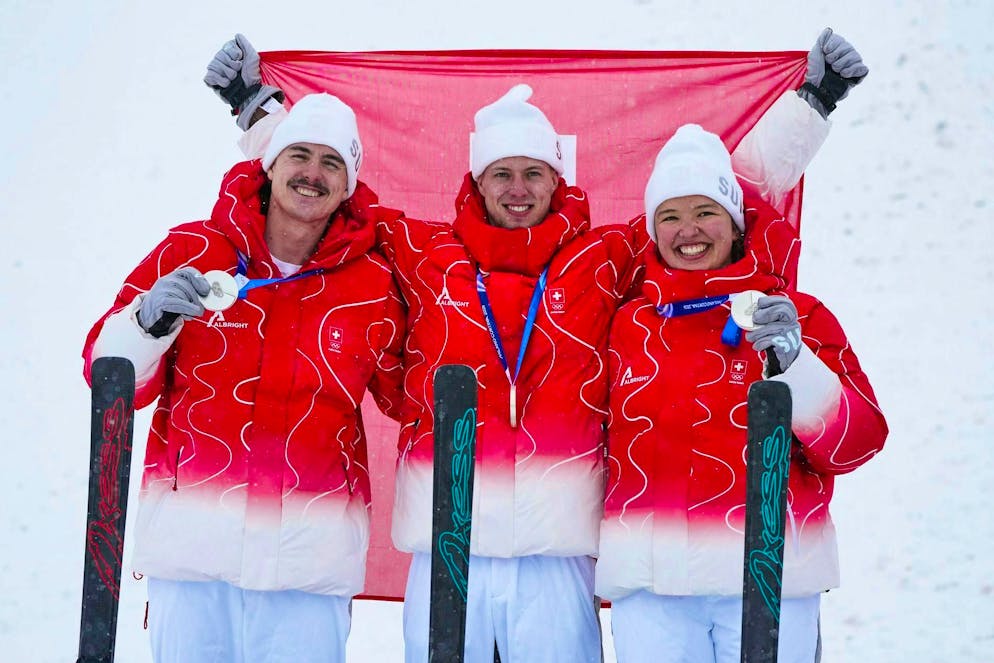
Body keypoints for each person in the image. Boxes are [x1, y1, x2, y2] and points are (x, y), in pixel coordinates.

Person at [202, 29, 867, 663]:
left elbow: (710, 203)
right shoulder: (426, 254)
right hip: (446, 540)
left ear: (558, 179)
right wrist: (261, 112)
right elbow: (323, 197)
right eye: (502, 173)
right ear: (476, 181)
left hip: (556, 557)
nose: (518, 189)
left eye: (533, 172)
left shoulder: (601, 261)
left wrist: (810, 106)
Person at [82, 93, 406, 663]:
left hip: (312, 559)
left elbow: (410, 399)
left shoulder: (372, 282)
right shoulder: (195, 248)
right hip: (193, 548)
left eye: (332, 162)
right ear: (270, 164)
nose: (312, 173)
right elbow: (110, 378)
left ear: (350, 183)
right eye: (298, 155)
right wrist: (145, 323)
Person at [596, 124, 889, 663]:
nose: (688, 230)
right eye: (670, 214)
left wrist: (797, 367)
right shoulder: (625, 324)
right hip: (650, 588)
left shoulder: (795, 315)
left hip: (769, 579)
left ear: (734, 223)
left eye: (705, 211)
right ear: (652, 228)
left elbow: (860, 443)